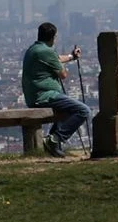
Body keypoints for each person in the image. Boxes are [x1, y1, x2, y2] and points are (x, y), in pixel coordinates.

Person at [22, 22, 91, 154]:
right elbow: (63, 74)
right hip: (44, 96)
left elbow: (56, 59)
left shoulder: (34, 49)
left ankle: (53, 145)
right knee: (84, 111)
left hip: (36, 96)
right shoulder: (46, 51)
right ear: (52, 37)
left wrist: (71, 57)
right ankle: (55, 139)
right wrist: (57, 65)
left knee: (68, 110)